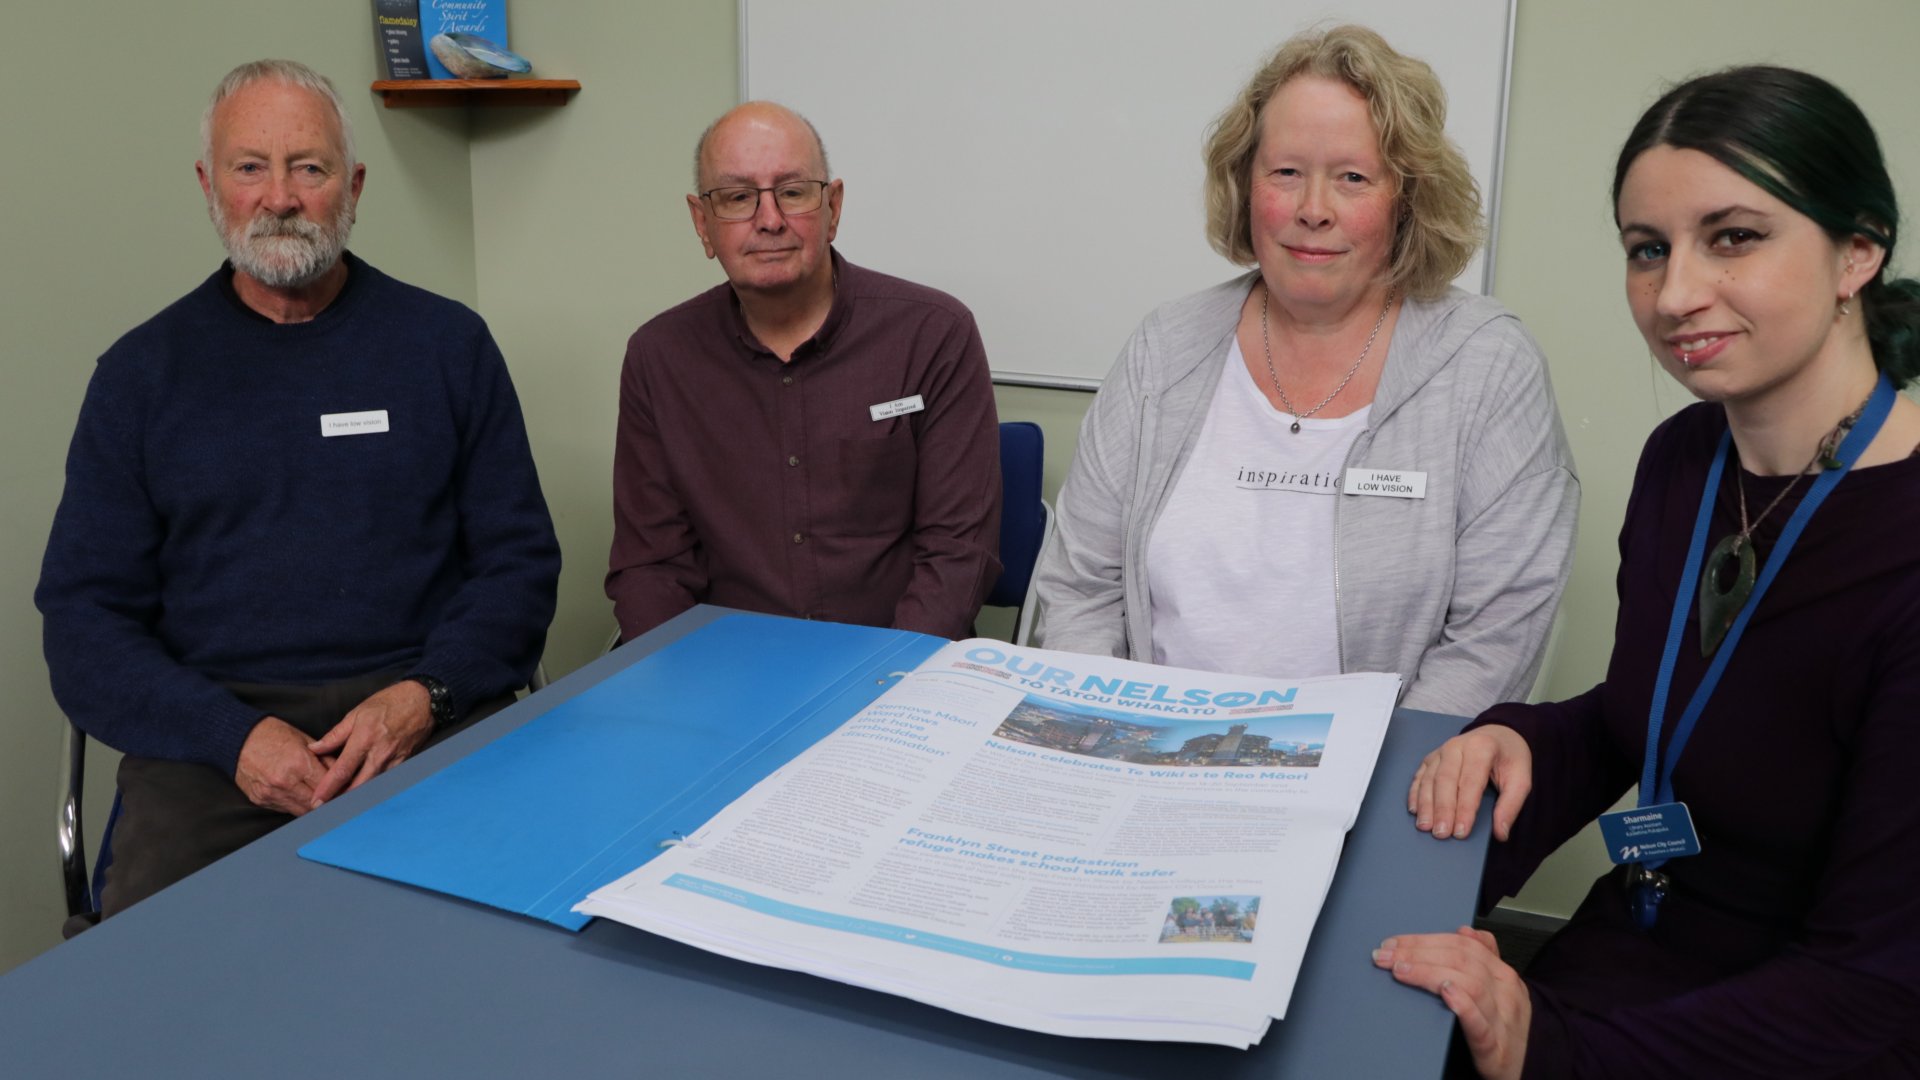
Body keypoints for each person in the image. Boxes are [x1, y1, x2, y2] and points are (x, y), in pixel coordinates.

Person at [1384, 66, 1920, 1079]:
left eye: (1734, 237)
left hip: (1810, 1026)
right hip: (1636, 939)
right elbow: (1657, 710)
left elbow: (1878, 990)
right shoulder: (1687, 458)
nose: (1675, 295)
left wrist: (1551, 1044)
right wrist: (1519, 736)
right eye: (1647, 250)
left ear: (1858, 250)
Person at [35, 60, 561, 924]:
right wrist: (231, 738)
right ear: (211, 186)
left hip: (421, 714)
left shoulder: (447, 347)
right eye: (250, 167)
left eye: (308, 168)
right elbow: (84, 623)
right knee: (156, 985)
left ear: (352, 187)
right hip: (213, 746)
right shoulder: (140, 376)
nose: (279, 196)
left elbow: (519, 565)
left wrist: (422, 699)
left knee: (524, 933)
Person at [1032, 25, 1576, 717]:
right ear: (1245, 182)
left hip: (1380, 779)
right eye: (1286, 173)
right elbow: (1081, 588)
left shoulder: (1489, 368)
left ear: (1406, 196)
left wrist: (1371, 786)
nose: (1313, 210)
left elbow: (1495, 636)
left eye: (1352, 178)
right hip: (1144, 754)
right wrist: (1109, 734)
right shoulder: (1165, 348)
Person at [606, 102, 1002, 643]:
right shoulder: (660, 357)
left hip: (899, 670)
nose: (769, 220)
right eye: (738, 197)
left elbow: (958, 555)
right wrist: (681, 690)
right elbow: (652, 567)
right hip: (729, 674)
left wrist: (883, 683)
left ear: (833, 207)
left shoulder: (934, 334)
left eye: (792, 191)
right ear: (702, 223)